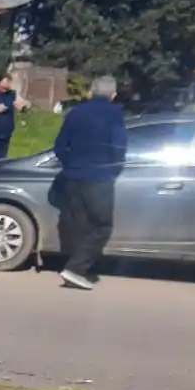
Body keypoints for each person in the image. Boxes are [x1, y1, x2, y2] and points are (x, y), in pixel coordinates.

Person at [52, 74, 127, 290]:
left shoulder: (75, 113)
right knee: (102, 226)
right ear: (113, 94)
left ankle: (77, 268)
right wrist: (113, 169)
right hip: (99, 179)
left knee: (81, 225)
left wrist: (71, 165)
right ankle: (76, 269)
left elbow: (59, 146)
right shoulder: (115, 115)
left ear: (91, 92)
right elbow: (119, 148)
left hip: (73, 177)